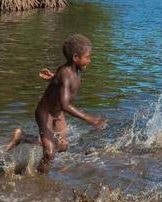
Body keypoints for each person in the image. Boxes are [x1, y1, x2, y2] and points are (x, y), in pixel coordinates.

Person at [7, 34, 107, 173]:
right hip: (45, 113)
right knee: (50, 153)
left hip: (57, 113)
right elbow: (65, 104)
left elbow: (61, 84)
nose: (89, 60)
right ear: (75, 57)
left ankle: (23, 137)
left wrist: (53, 79)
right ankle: (38, 180)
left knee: (62, 146)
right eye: (87, 57)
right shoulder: (65, 73)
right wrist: (88, 118)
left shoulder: (70, 72)